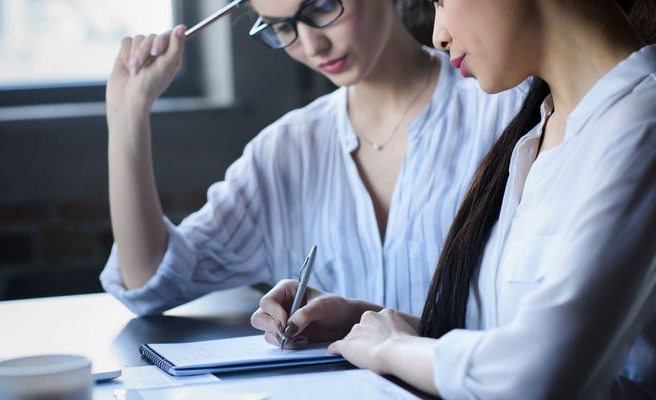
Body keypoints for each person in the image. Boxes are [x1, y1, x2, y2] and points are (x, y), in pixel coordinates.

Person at [254, 0, 656, 398]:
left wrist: (392, 348)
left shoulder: (641, 122)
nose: (438, 35)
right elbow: (504, 340)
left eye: (441, 1)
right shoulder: (541, 129)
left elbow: (535, 376)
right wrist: (368, 324)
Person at [100, 0, 525, 322]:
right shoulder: (286, 151)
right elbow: (150, 281)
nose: (311, 44)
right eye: (281, 27)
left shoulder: (506, 113)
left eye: (322, 6)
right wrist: (126, 117)